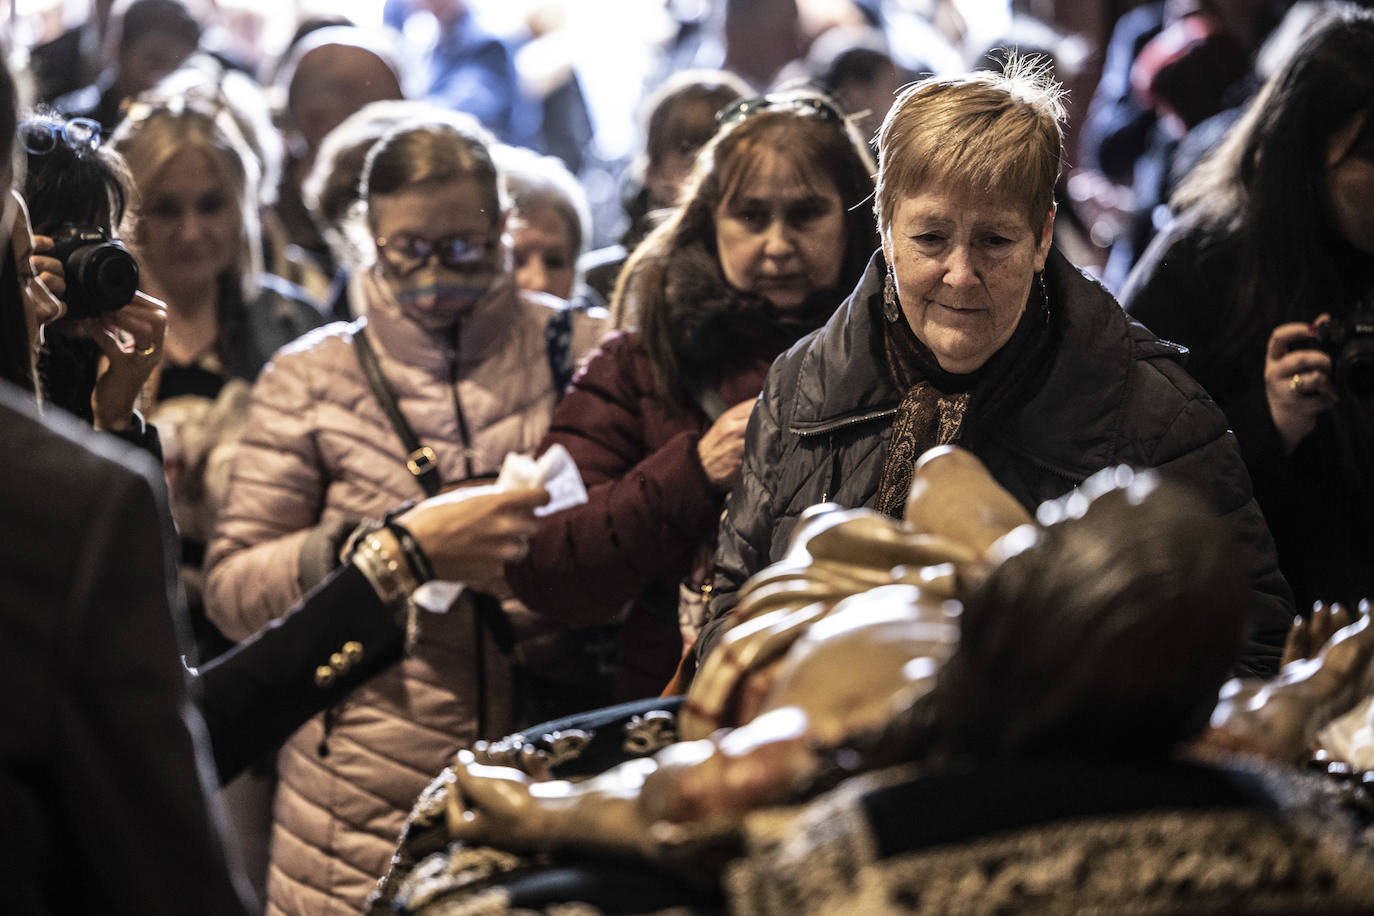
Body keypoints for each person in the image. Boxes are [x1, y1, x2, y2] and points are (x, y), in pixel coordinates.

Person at [694, 58, 1295, 679]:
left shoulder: (1155, 414)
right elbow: (730, 616)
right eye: (929, 238)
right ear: (886, 229)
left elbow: (1251, 649)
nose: (960, 273)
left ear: (1042, 238)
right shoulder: (801, 386)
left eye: (995, 241)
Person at [202, 111, 606, 915]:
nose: (436, 274)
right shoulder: (311, 378)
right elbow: (232, 589)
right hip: (349, 813)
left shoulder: (585, 348)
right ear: (368, 238)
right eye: (408, 251)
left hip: (541, 787)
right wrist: (376, 553)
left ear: (501, 227)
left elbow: (644, 555)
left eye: (463, 247)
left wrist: (542, 574)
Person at [508, 89, 879, 699]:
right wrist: (694, 470)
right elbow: (544, 562)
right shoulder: (642, 361)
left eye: (807, 213)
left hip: (856, 698)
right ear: (712, 218)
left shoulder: (910, 353)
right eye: (752, 217)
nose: (779, 245)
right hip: (678, 716)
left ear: (853, 216)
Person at [1120, 4, 1374, 617]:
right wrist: (1271, 420)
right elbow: (1126, 479)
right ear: (1306, 159)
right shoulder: (1200, 263)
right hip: (1252, 631)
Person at [110, 88, 326, 655]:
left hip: (274, 625)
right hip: (134, 628)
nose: (190, 232)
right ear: (128, 215)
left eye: (210, 205)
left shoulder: (296, 321)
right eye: (164, 208)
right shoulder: (91, 332)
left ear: (244, 206)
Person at [580, 69, 750, 303]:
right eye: (691, 158)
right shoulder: (604, 282)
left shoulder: (766, 272)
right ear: (649, 170)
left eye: (726, 158)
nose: (709, 176)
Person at [51, 0, 202, 134]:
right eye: (155, 63)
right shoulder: (71, 124)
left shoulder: (187, 132)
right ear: (118, 49)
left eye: (181, 68)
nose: (167, 79)